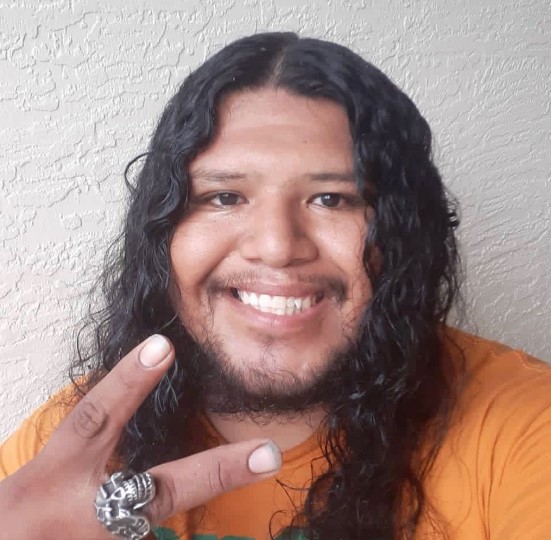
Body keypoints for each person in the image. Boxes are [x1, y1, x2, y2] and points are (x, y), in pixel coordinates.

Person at [0, 31, 550, 540]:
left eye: (331, 199)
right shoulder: (69, 456)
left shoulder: (526, 426)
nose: (277, 246)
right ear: (161, 231)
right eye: (224, 197)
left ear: (403, 233)